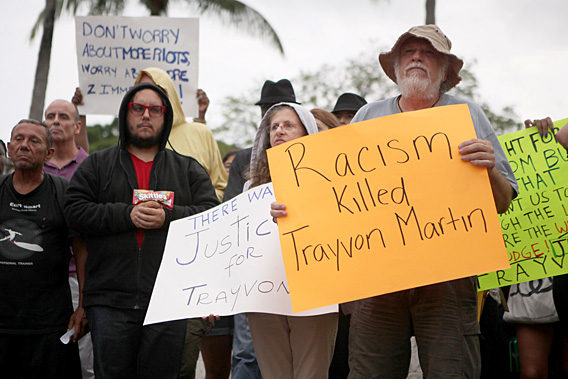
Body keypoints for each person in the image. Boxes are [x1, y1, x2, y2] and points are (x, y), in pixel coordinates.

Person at [272, 25, 518, 378]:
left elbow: (504, 201)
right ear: (397, 67)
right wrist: (292, 209)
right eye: (408, 52)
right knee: (370, 370)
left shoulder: (469, 115)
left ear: (446, 70)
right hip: (378, 283)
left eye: (428, 52)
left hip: (449, 280)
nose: (417, 57)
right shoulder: (368, 116)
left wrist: (490, 168)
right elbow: (336, 196)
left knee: (453, 370)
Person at [64, 82, 219, 378]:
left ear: (166, 117)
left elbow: (211, 215)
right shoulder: (97, 164)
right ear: (125, 114)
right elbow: (74, 211)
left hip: (169, 301)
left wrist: (168, 217)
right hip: (110, 302)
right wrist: (127, 215)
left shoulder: (188, 169)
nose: (146, 115)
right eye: (138, 108)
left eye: (155, 110)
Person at [247, 102, 338, 378]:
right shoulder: (252, 188)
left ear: (306, 132)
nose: (279, 131)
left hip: (315, 290)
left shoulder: (330, 177)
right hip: (266, 294)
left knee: (311, 371)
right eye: (274, 127)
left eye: (288, 125)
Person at [225, 78, 300, 379]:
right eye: (269, 115)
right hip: (259, 277)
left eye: (286, 121)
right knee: (247, 354)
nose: (278, 127)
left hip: (302, 277)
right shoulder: (245, 161)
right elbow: (232, 212)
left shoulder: (321, 162)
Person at [0, 119, 85, 378]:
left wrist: (83, 304)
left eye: (34, 141)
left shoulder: (63, 192)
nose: (24, 145)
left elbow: (82, 251)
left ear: (49, 153)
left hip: (51, 324)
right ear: (9, 148)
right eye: (18, 139)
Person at [43, 98, 93, 378]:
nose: (56, 121)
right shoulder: (33, 168)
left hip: (80, 277)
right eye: (50, 116)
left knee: (85, 358)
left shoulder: (92, 167)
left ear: (77, 126)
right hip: (43, 277)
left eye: (63, 116)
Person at [134, 67, 227, 202]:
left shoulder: (201, 133)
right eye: (143, 90)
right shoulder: (130, 143)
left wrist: (195, 206)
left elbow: (221, 189)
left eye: (157, 90)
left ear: (169, 94)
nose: (150, 97)